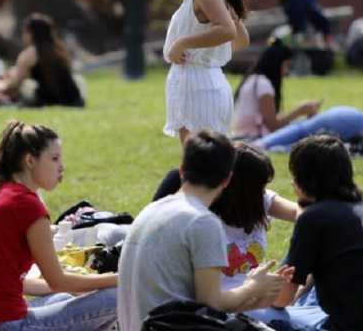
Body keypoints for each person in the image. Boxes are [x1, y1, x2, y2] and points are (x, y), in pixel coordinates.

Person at [118, 131, 287, 331]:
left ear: (182, 171)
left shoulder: (152, 209)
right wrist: (252, 287)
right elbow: (211, 305)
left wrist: (254, 300)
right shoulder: (202, 222)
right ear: (227, 180)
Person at [0, 121, 118, 330]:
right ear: (30, 161)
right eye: (54, 159)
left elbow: (18, 282)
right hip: (4, 325)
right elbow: (57, 280)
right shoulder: (27, 206)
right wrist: (118, 278)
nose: (62, 167)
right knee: (117, 297)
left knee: (61, 298)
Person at [261, 135, 363, 330]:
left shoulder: (314, 217)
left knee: (253, 317)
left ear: (303, 179)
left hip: (351, 325)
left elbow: (282, 300)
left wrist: (258, 287)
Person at [161, 0, 251, 145]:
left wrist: (182, 45)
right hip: (203, 84)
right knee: (207, 167)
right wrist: (207, 54)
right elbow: (241, 39)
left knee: (201, 170)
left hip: (199, 89)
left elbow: (228, 32)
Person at [230, 39, 321, 140]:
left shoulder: (254, 79)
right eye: (286, 66)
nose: (286, 72)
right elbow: (273, 126)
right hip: (251, 137)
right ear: (276, 64)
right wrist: (300, 110)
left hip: (245, 134)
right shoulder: (263, 85)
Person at [0, 13, 85, 107]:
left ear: (30, 33)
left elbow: (15, 84)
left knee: (20, 84)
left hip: (47, 100)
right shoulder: (60, 49)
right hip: (75, 99)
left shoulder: (29, 54)